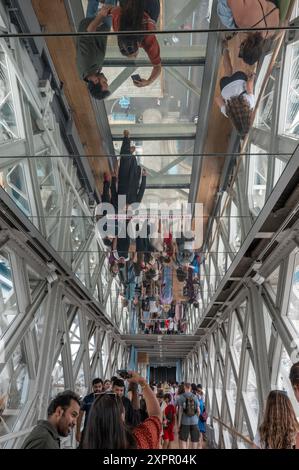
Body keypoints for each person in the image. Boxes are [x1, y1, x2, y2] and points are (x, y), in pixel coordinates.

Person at [82, 371, 162, 449]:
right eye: (117, 390)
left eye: (121, 390)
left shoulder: (87, 444)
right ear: (122, 416)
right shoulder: (138, 441)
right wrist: (142, 382)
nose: (119, 393)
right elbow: (156, 415)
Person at [111, 0, 161, 87]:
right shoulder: (117, 25)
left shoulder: (148, 38)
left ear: (138, 44)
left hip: (150, 6)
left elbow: (157, 67)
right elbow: (108, 10)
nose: (135, 57)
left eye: (134, 55)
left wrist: (149, 81)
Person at [76, 1, 118, 100]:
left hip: (98, 24)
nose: (106, 79)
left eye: (104, 82)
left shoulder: (87, 62)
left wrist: (100, 15)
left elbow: (88, 33)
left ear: (95, 81)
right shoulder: (89, 73)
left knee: (110, 3)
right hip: (96, 26)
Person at [217, 0, 280, 65]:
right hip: (247, 12)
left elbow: (284, 23)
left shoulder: (273, 30)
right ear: (245, 44)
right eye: (241, 46)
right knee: (227, 21)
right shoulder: (242, 22)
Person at [216, 41, 255, 137]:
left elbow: (249, 85)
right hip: (224, 85)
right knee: (228, 72)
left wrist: (253, 77)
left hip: (239, 78)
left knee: (246, 77)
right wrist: (225, 94)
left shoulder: (251, 104)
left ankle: (241, 51)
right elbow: (217, 99)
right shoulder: (228, 114)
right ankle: (224, 50)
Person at [76, 378, 103, 445]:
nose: (98, 389)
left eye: (99, 386)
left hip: (102, 430)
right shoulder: (87, 398)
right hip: (88, 429)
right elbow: (80, 415)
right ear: (92, 387)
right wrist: (78, 432)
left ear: (102, 386)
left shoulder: (106, 398)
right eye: (95, 387)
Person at [175, 383, 200, 449]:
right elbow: (198, 410)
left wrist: (179, 424)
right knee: (194, 440)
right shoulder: (195, 396)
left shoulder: (181, 397)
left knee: (184, 440)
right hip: (195, 422)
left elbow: (180, 411)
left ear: (184, 387)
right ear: (190, 388)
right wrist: (196, 418)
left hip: (185, 422)